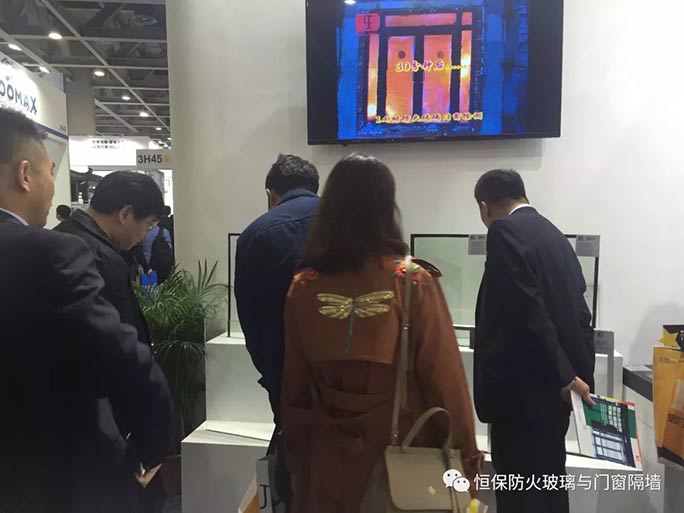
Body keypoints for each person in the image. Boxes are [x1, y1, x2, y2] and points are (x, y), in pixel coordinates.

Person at [282, 154, 482, 513]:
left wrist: (298, 459)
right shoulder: (411, 283)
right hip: (400, 468)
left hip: (326, 469)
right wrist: (467, 460)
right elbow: (446, 381)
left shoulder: (304, 287)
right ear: (386, 209)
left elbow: (295, 391)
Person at [0, 107, 172, 513]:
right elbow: (118, 352)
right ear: (25, 175)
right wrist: (152, 444)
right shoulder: (52, 252)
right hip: (51, 468)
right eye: (50, 170)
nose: (51, 184)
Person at [473, 169, 596, 513]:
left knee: (520, 495)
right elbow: (580, 312)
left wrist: (564, 376)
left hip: (521, 399)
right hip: (555, 399)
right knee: (550, 489)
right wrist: (577, 375)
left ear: (484, 207)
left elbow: (528, 311)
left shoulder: (503, 231)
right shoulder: (555, 235)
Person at [234, 153, 320, 511]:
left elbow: (250, 320)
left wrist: (272, 377)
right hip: (358, 387)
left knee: (294, 475)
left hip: (287, 381)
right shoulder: (355, 226)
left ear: (271, 194)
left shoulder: (256, 234)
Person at [56, 171, 164, 347]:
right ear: (126, 214)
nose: (144, 235)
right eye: (148, 225)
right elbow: (121, 342)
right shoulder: (105, 260)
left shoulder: (55, 238)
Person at [142, 212, 174, 284]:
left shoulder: (143, 232)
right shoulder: (164, 232)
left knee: (148, 288)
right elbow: (169, 248)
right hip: (162, 265)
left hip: (147, 266)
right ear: (158, 221)